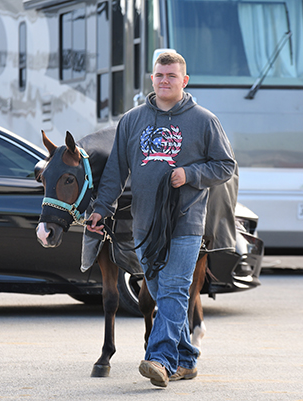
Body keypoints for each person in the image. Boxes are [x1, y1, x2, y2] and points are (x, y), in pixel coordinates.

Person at [87, 51, 236, 387]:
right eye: (159, 75)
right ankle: (187, 360)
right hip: (144, 223)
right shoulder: (132, 120)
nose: (165, 81)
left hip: (185, 221)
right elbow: (115, 172)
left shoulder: (204, 120)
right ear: (152, 79)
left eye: (172, 76)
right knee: (158, 288)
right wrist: (101, 208)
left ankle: (160, 359)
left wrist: (191, 174)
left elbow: (226, 165)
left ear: (184, 81)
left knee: (174, 288)